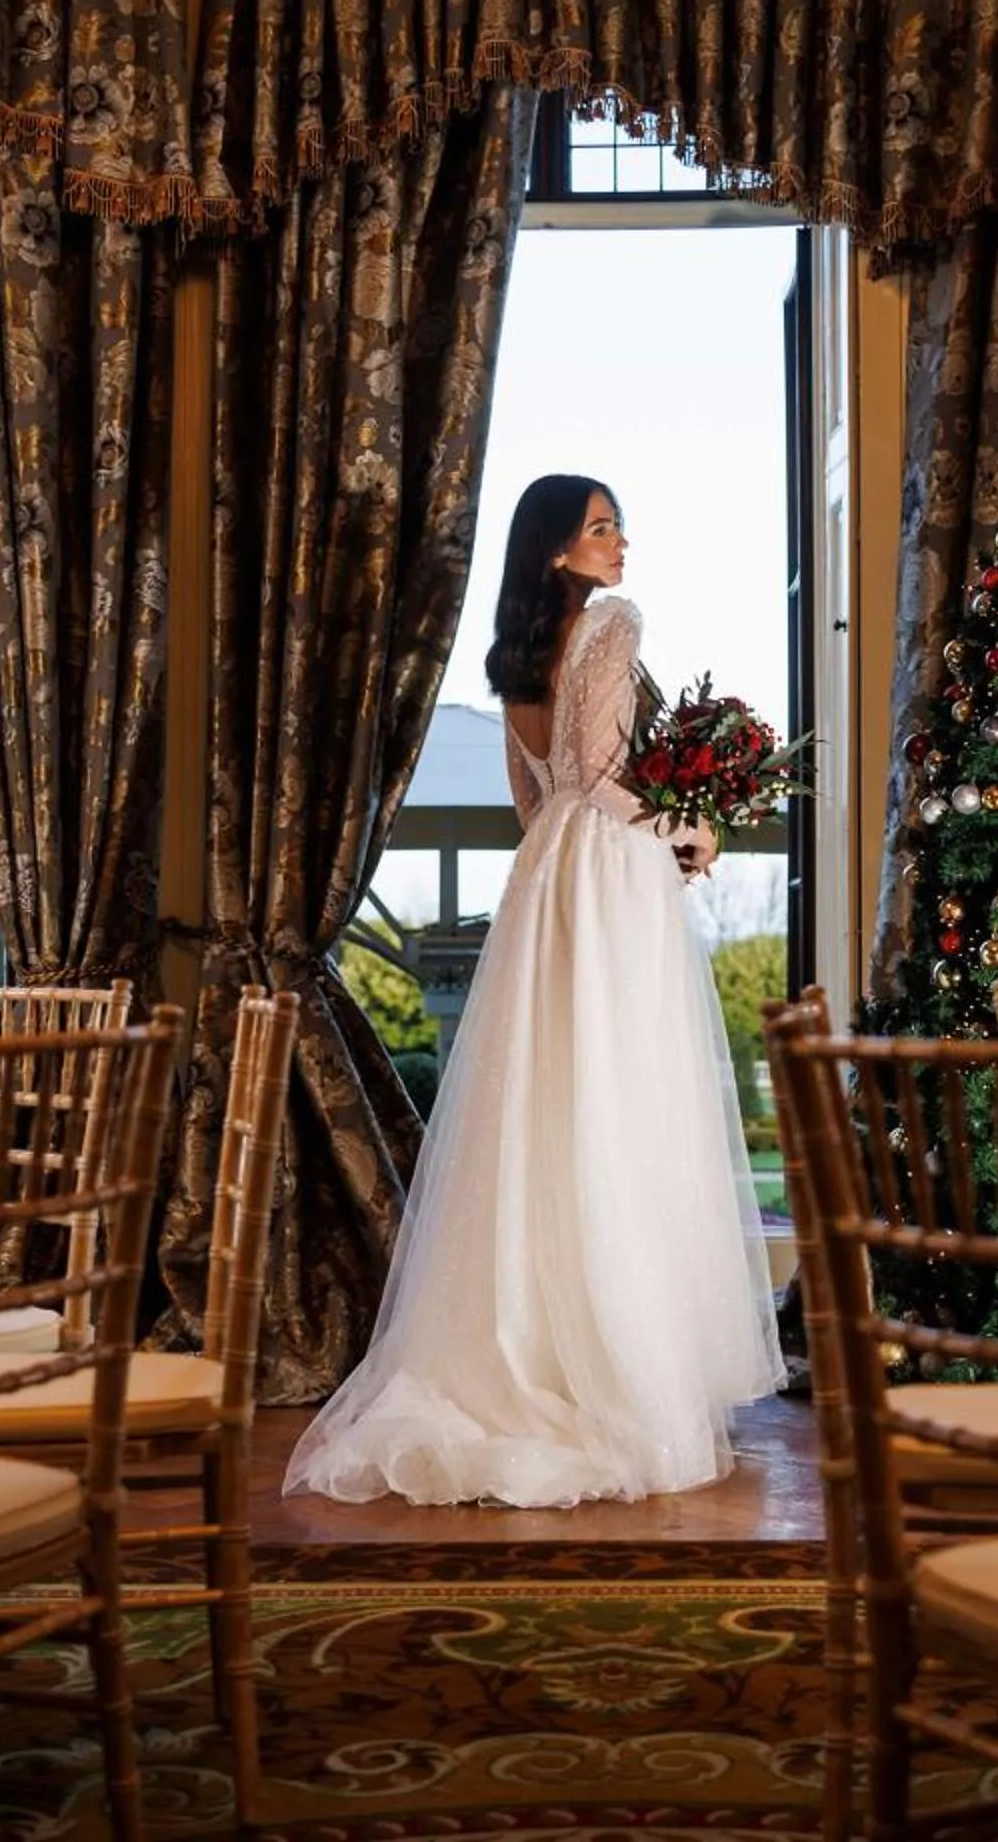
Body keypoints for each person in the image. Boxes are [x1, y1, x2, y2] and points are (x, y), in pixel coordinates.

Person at [283, 474, 785, 1507]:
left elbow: (536, 798)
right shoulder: (612, 622)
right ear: (558, 546)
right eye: (601, 527)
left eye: (616, 526)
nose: (620, 542)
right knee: (621, 1096)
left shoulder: (515, 650)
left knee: (547, 1101)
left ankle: (530, 1343)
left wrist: (614, 829)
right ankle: (614, 1360)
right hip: (607, 878)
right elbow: (603, 774)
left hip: (548, 875)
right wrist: (684, 828)